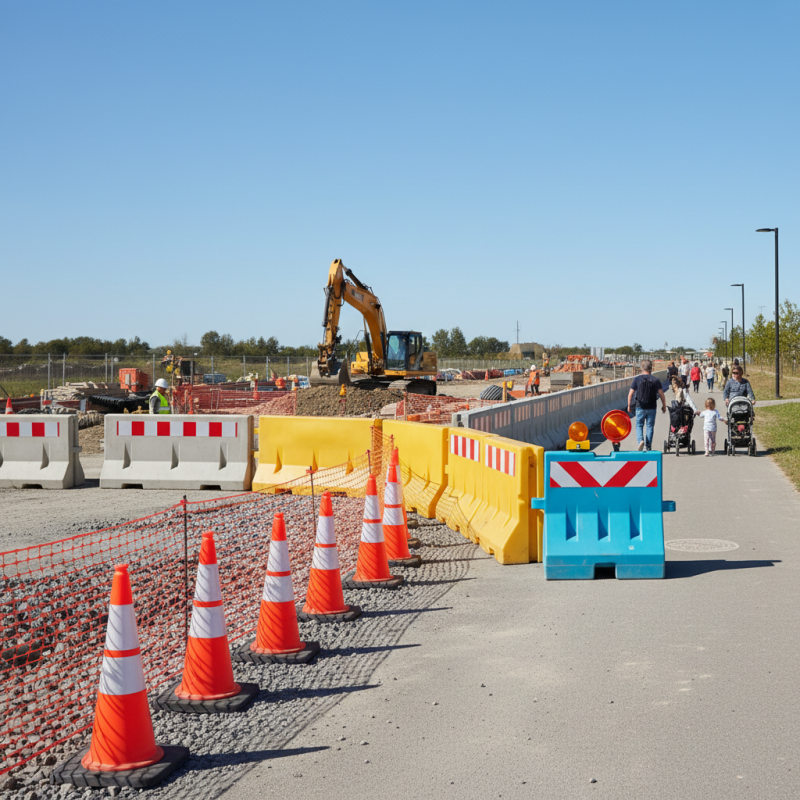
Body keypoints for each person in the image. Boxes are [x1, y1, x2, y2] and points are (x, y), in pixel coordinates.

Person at [627, 360, 667, 451]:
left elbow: (630, 394)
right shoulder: (655, 380)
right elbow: (661, 394)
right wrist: (664, 406)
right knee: (650, 426)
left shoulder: (637, 379)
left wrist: (629, 405)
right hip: (652, 407)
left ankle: (640, 440)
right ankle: (648, 446)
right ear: (651, 369)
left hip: (640, 406)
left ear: (642, 368)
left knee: (639, 425)